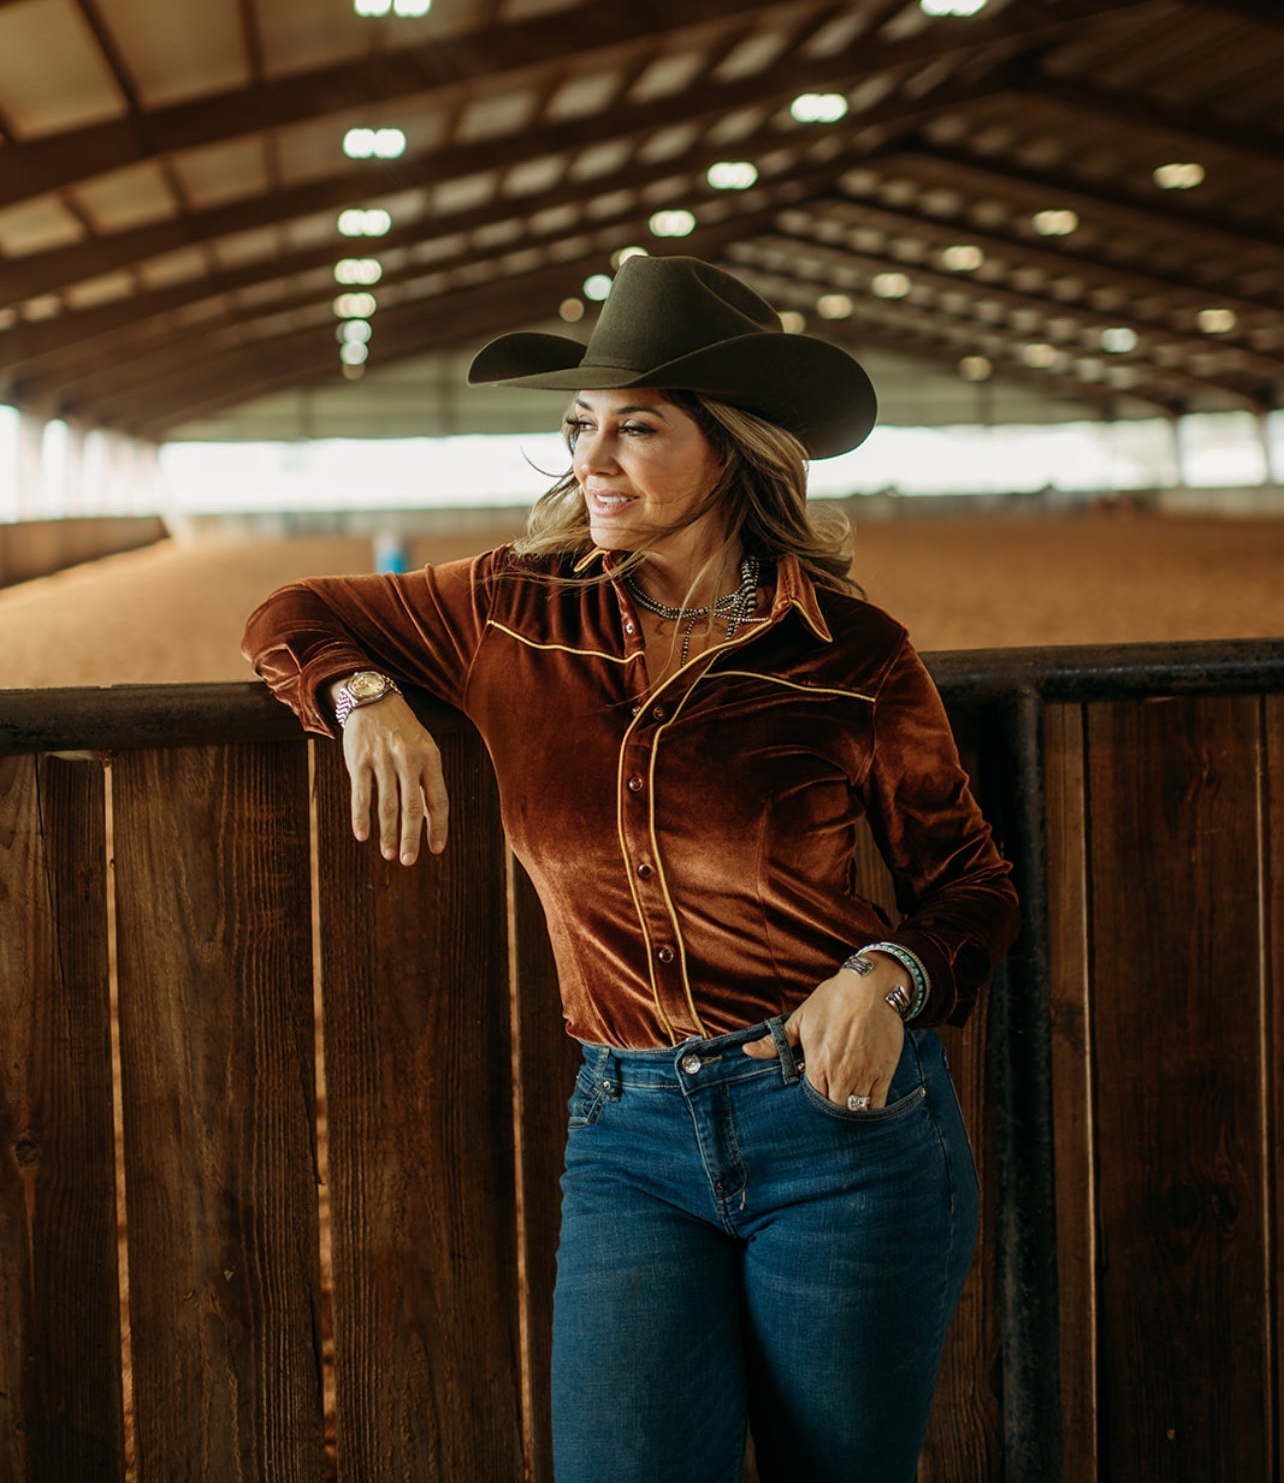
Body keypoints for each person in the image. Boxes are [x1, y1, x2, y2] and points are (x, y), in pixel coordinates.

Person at [242, 255, 1020, 1483]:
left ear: (735, 451)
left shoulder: (848, 650)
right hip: (628, 1133)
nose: (588, 460)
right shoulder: (505, 608)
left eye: (637, 427)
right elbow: (289, 608)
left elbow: (971, 880)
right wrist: (361, 690)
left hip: (840, 1126)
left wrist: (886, 978)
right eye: (579, 425)